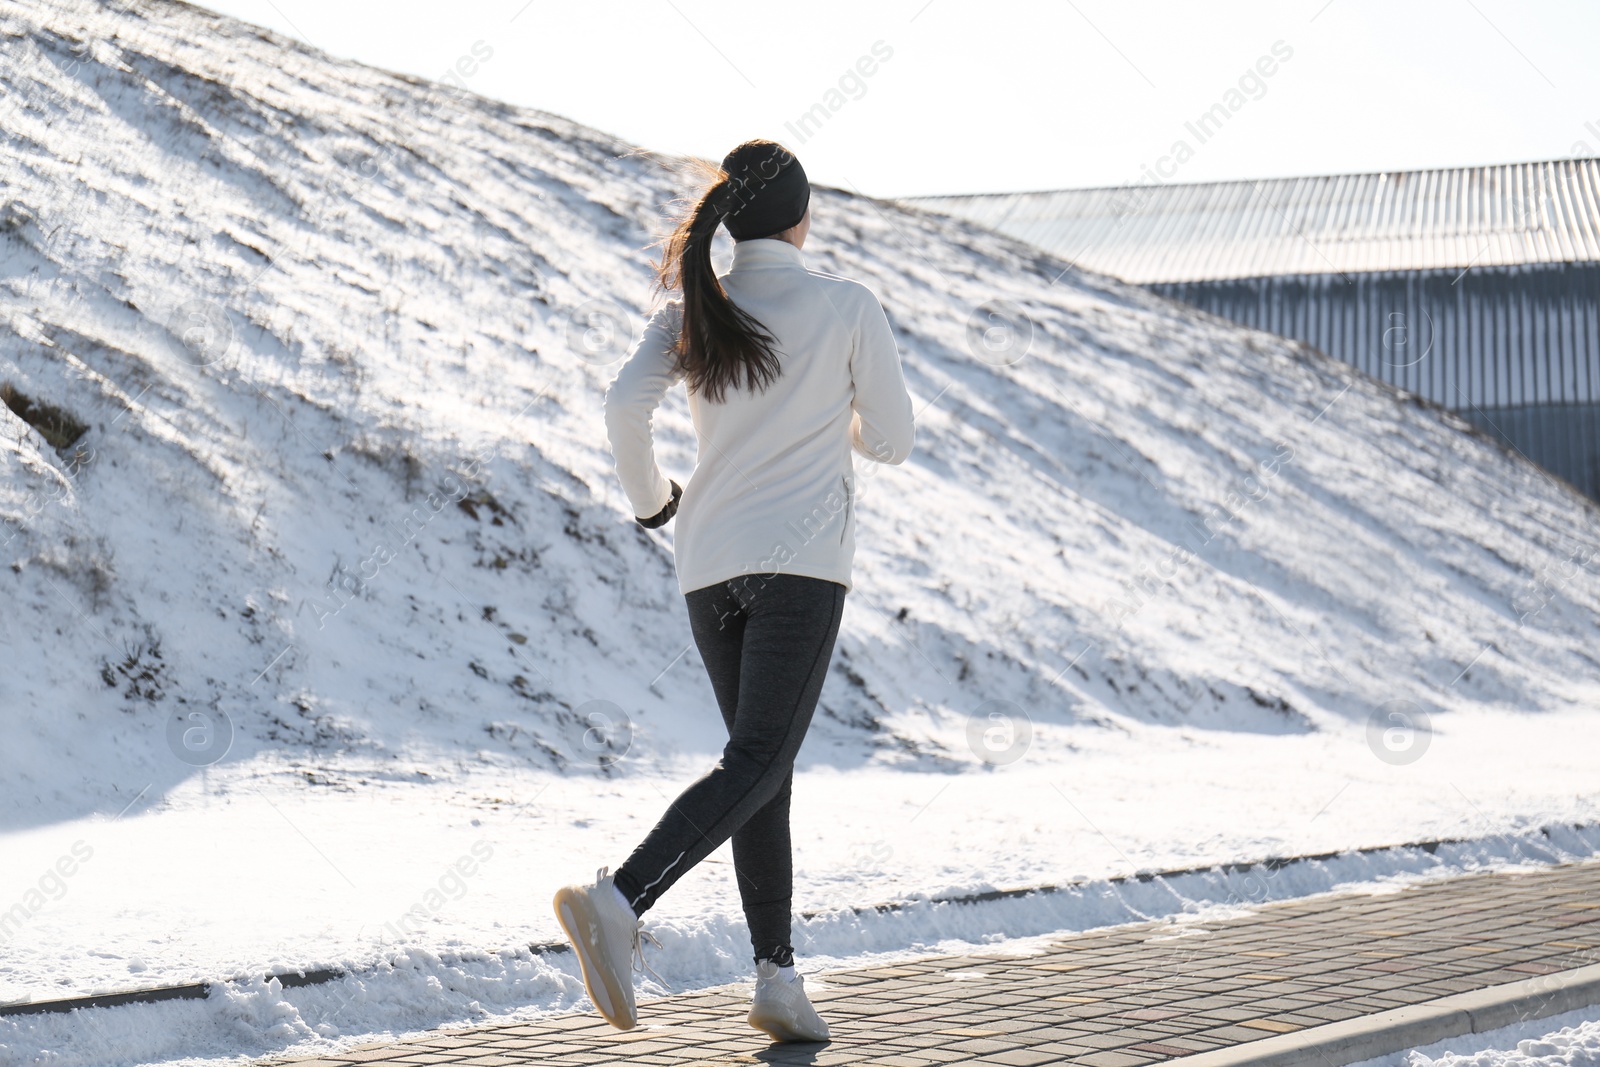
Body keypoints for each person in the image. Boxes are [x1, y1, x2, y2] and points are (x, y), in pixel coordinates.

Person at [552, 139, 915, 1042]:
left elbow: (621, 407)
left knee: (760, 767)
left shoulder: (697, 306)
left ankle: (778, 980)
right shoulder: (844, 306)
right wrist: (838, 419)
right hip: (801, 566)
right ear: (801, 218)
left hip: (707, 561)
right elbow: (896, 437)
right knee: (758, 759)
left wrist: (650, 504)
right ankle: (619, 898)